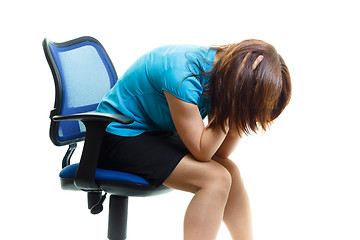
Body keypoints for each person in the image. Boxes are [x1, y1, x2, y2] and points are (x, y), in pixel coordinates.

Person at [96, 39, 292, 240]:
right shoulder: (183, 74)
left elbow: (220, 152)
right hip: (115, 136)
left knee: (230, 171)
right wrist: (234, 99)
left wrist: (239, 105)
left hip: (151, 134)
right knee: (215, 179)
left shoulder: (223, 74)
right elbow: (202, 151)